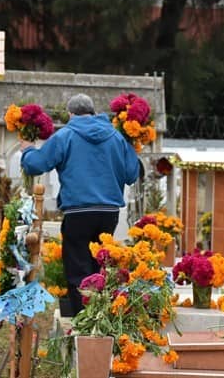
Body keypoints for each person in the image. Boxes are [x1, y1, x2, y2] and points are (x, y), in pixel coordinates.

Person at [20, 93, 139, 315]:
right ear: (93, 112)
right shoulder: (116, 137)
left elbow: (36, 165)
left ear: (71, 114)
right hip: (109, 212)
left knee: (77, 269)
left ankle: (81, 321)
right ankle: (100, 316)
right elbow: (132, 174)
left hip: (78, 211)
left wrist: (27, 150)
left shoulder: (65, 135)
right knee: (100, 265)